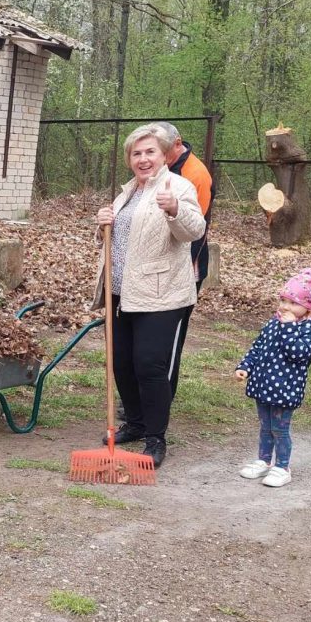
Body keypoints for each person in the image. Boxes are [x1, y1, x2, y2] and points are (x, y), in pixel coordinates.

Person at [94, 123, 206, 468]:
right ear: (130, 159)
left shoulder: (179, 186)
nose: (143, 159)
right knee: (122, 363)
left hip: (162, 295)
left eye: (150, 152)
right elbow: (116, 241)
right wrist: (102, 225)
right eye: (136, 153)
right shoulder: (128, 191)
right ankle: (137, 423)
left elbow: (194, 229)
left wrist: (175, 209)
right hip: (122, 292)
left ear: (163, 155)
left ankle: (156, 437)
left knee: (150, 365)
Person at [235, 268, 311, 488]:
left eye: (293, 303)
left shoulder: (310, 326)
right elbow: (258, 347)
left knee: (280, 429)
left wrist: (290, 326)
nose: (285, 307)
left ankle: (282, 466)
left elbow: (299, 353)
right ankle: (264, 461)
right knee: (265, 426)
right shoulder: (274, 322)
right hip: (263, 385)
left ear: (309, 305)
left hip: (286, 388)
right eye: (283, 300)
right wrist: (245, 366)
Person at [158, 121, 215, 398]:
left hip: (186, 266)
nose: (156, 155)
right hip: (158, 265)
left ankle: (162, 396)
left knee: (171, 336)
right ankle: (147, 393)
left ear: (177, 143)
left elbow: (194, 226)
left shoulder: (196, 174)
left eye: (162, 150)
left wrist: (183, 269)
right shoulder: (163, 167)